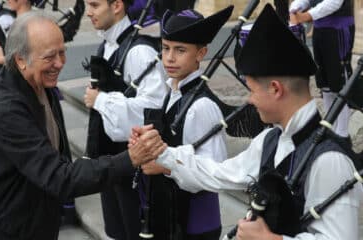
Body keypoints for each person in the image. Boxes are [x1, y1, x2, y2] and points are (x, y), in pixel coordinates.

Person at [130, 4, 363, 240]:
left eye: (251, 90)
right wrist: (162, 154)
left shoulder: (330, 161)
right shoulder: (269, 141)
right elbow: (219, 173)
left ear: (275, 89)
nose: (249, 100)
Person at [0, 11, 153, 240]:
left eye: (62, 53)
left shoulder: (37, 83)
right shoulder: (6, 109)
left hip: (29, 217)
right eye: (50, 57)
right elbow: (59, 176)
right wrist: (129, 158)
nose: (60, 63)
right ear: (21, 60)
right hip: (0, 226)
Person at [137, 6, 232, 239]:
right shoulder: (172, 91)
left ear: (200, 54)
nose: (169, 58)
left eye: (180, 50)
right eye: (165, 48)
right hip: (171, 210)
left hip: (195, 220)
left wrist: (165, 166)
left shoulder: (201, 106)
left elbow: (214, 170)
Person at [83, 0, 167, 239]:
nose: (88, 12)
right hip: (111, 159)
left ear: (117, 5)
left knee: (133, 230)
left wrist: (100, 100)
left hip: (133, 163)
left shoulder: (139, 51)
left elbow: (153, 110)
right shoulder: (107, 45)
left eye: (95, 5)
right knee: (116, 229)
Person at [289, 0, 354, 140]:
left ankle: (342, 135)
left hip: (338, 30)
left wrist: (307, 15)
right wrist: (295, 8)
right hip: (320, 32)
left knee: (339, 84)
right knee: (325, 85)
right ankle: (330, 127)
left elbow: (334, 2)